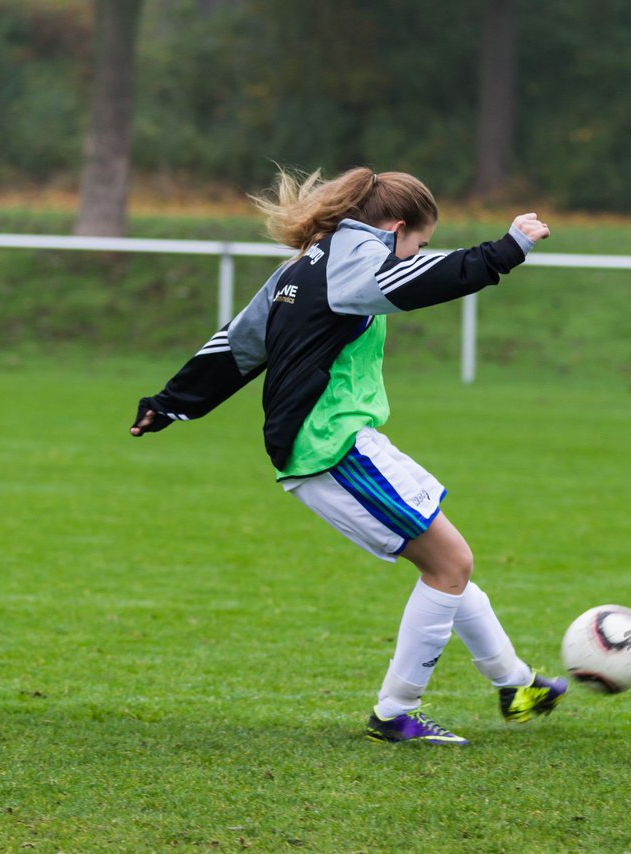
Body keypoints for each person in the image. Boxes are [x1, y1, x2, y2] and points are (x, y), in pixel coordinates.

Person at [130, 166, 564, 745]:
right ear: (397, 227)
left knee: (446, 565)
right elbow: (414, 283)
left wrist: (172, 403)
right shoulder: (355, 258)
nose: (415, 256)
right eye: (418, 244)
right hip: (331, 443)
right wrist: (503, 251)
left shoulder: (308, 262)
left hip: (332, 440)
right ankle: (394, 713)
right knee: (449, 565)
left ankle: (515, 685)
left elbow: (237, 344)